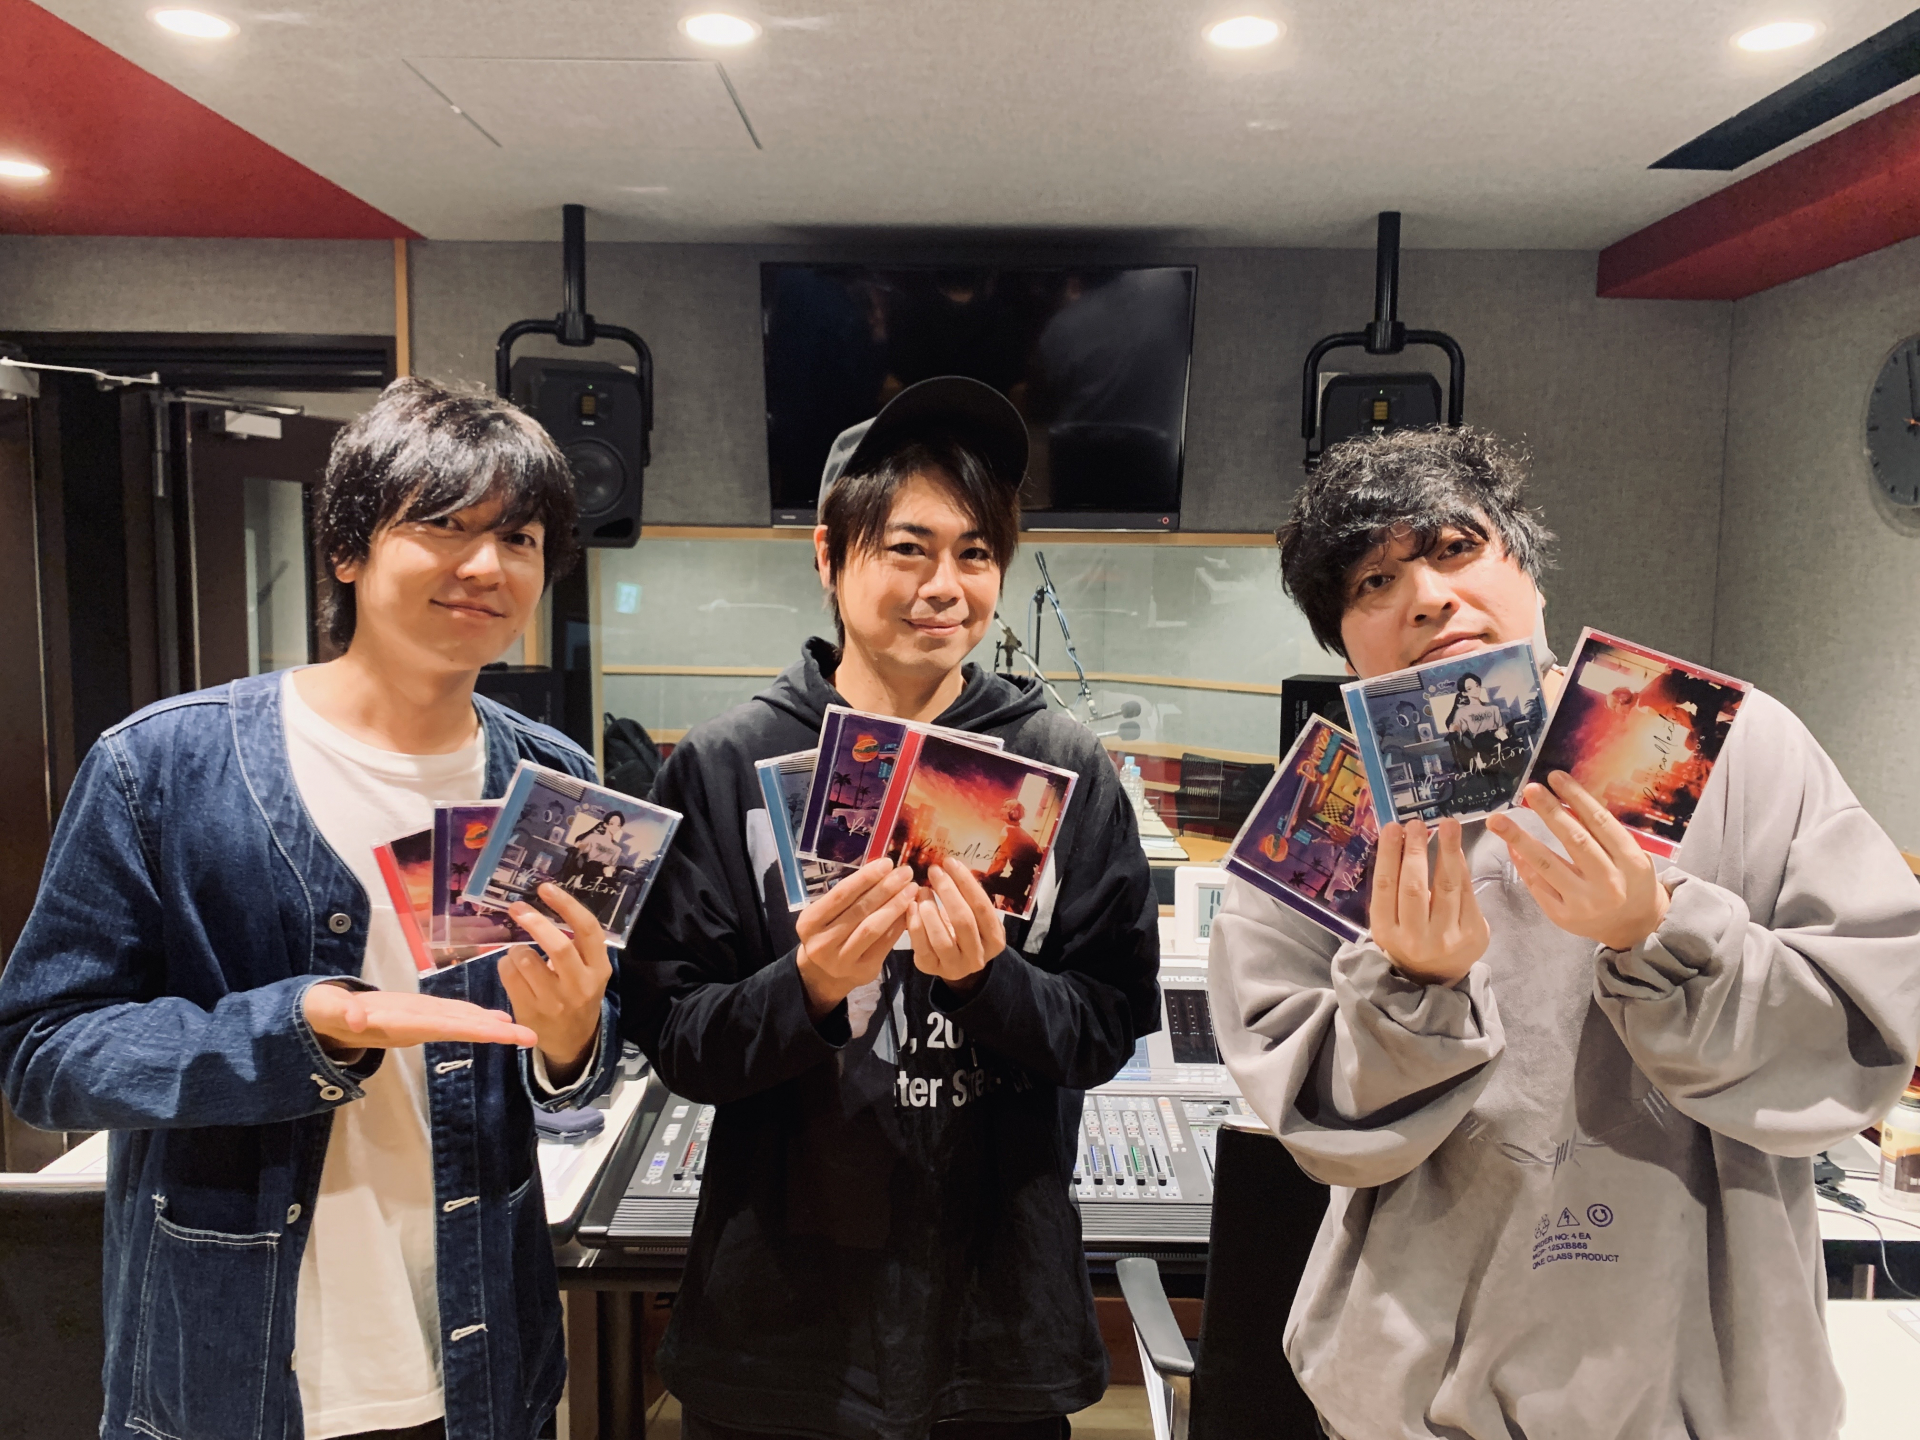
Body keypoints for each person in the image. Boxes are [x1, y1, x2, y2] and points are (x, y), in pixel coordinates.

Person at [1209, 425, 1920, 1440]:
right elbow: (1310, 1112)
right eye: (1373, 581)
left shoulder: (1719, 741)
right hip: (1415, 1395)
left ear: (1527, 568)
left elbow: (1862, 1038)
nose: (1425, 596)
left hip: (1703, 1388)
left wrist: (1658, 932)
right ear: (1345, 643)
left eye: (1456, 548)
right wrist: (1412, 988)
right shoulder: (1333, 811)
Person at [0, 378, 621, 1440]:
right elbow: (42, 1052)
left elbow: (572, 1074)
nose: (486, 566)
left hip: (476, 1363)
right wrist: (305, 1030)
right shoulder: (164, 765)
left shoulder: (550, 783)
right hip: (228, 1370)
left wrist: (572, 1039)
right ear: (346, 550)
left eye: (519, 538)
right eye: (444, 524)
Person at [624, 376, 1161, 1440]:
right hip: (777, 1331)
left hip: (994, 1326)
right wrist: (812, 986)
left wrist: (989, 983)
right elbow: (676, 1039)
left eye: (976, 552)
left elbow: (1105, 1028)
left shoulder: (1061, 765)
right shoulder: (727, 764)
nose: (944, 586)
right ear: (829, 556)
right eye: (908, 548)